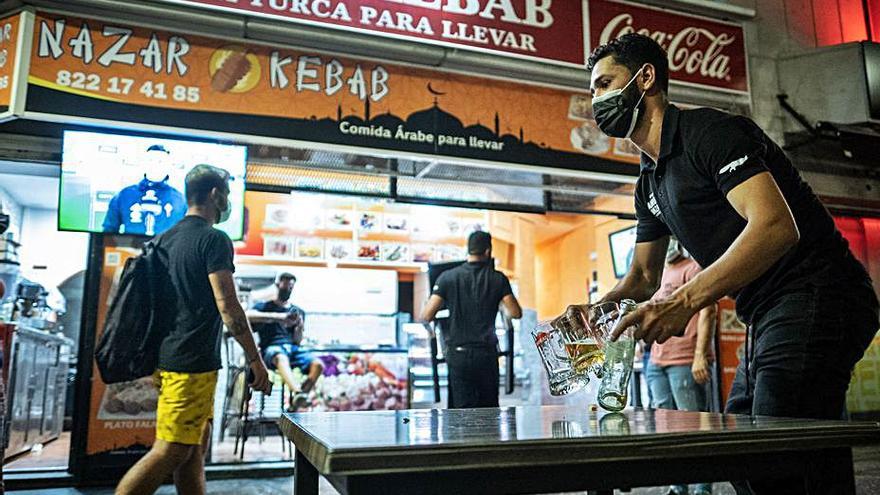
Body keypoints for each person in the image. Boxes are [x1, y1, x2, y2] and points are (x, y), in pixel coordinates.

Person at [559, 33, 877, 494]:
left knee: (776, 456)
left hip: (822, 293)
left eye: (605, 84)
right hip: (767, 313)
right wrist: (598, 308)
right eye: (592, 91)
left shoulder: (710, 133)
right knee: (751, 457)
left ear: (645, 78)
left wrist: (684, 301)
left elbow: (775, 227)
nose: (597, 99)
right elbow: (644, 277)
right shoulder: (649, 181)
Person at [116, 165, 271, 495]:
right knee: (170, 450)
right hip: (190, 363)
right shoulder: (213, 239)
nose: (227, 201)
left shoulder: (164, 239)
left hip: (169, 358)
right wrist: (255, 360)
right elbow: (228, 306)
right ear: (215, 195)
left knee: (192, 450)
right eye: (226, 194)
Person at [645, 239, 716, 495]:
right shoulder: (659, 274)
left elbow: (709, 312)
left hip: (685, 361)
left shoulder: (694, 269)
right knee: (668, 429)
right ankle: (678, 485)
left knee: (695, 427)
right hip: (657, 361)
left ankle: (703, 487)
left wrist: (700, 355)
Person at [420, 231, 522, 408]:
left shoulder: (447, 277)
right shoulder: (498, 279)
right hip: (487, 355)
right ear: (488, 251)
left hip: (458, 356)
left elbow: (427, 315)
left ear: (468, 250)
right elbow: (516, 313)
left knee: (460, 413)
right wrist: (499, 304)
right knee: (488, 411)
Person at [247, 272, 323, 411]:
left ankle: (298, 398)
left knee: (318, 365)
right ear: (277, 285)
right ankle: (297, 392)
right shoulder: (265, 307)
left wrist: (299, 327)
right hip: (271, 348)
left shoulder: (298, 311)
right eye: (285, 287)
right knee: (280, 357)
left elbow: (297, 341)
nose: (287, 290)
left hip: (292, 349)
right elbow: (248, 315)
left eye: (290, 288)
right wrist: (279, 317)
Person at [103, 144, 186, 236]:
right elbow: (108, 231)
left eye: (160, 161)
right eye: (151, 160)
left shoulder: (180, 200)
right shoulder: (124, 195)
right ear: (144, 164)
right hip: (131, 249)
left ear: (168, 165)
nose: (155, 165)